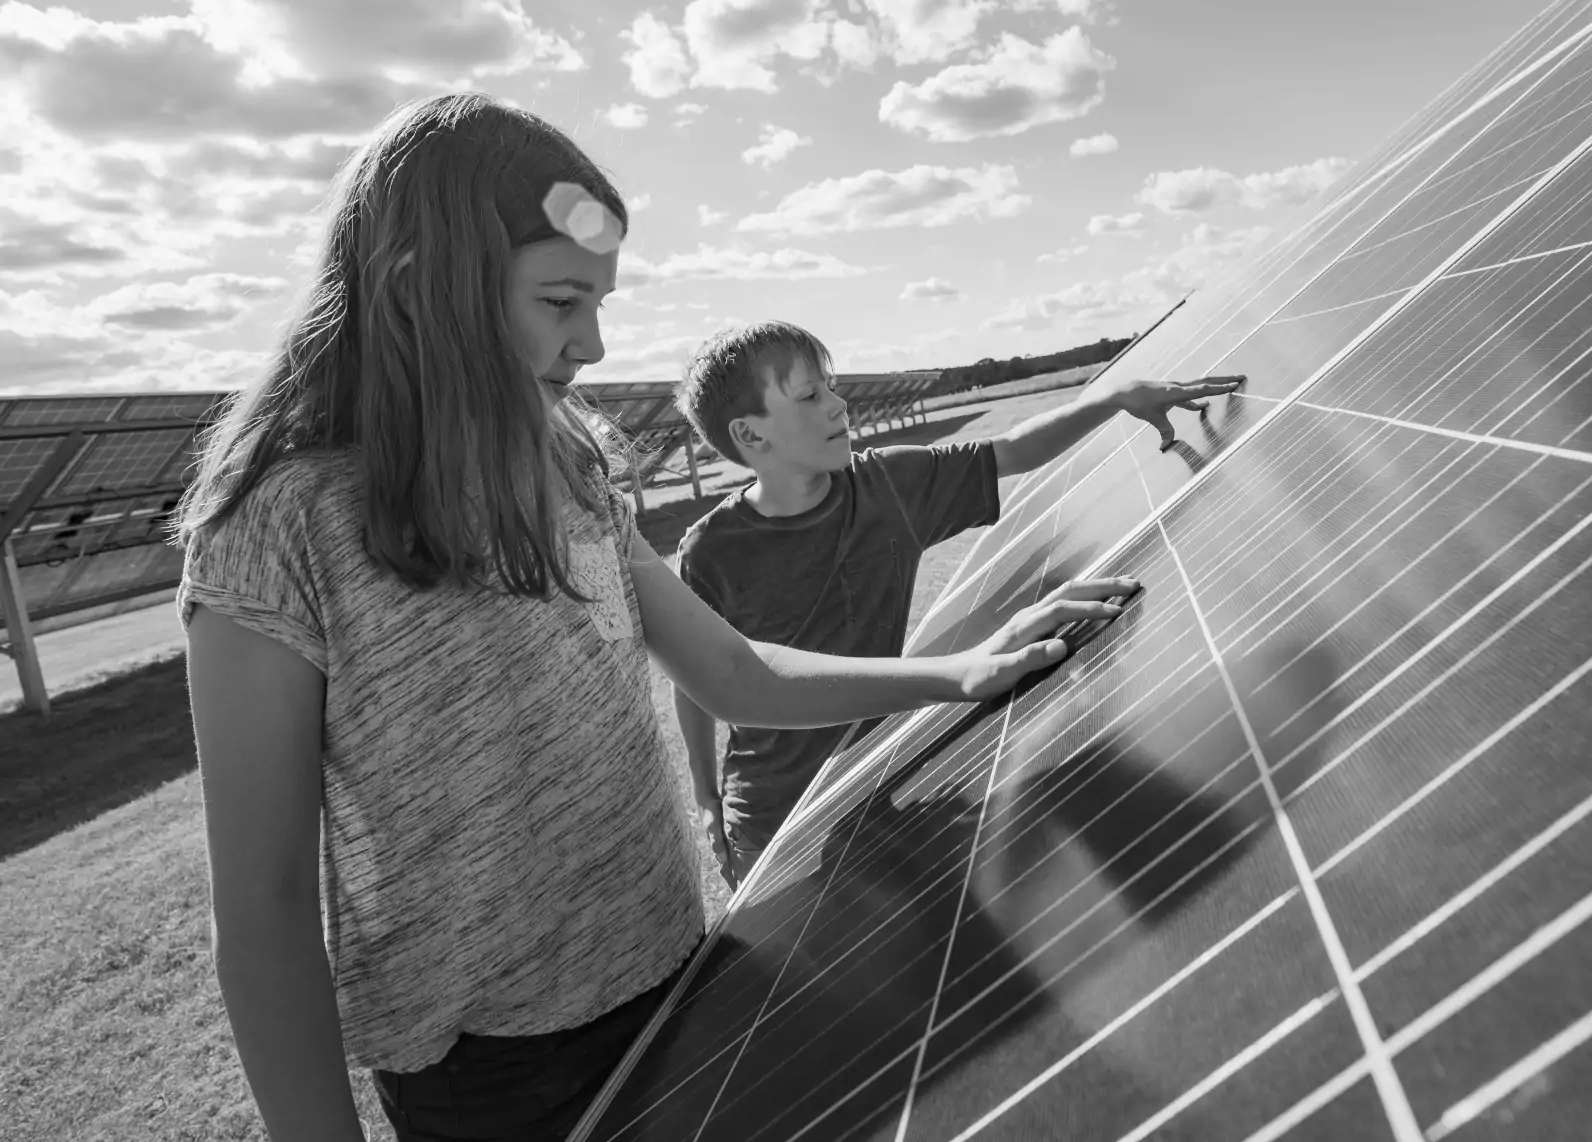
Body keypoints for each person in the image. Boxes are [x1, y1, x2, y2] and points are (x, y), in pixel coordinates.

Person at [173, 91, 1137, 1142]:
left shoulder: (568, 467)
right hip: (491, 1078)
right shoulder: (275, 528)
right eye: (561, 300)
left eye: (599, 301)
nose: (592, 342)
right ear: (418, 285)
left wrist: (959, 672)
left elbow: (732, 672)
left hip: (677, 981)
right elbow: (264, 908)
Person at [672, 321, 1241, 887]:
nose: (838, 405)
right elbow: (694, 672)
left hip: (876, 787)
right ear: (750, 435)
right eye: (809, 395)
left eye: (832, 386)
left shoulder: (889, 486)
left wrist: (1114, 398)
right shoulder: (712, 551)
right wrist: (704, 791)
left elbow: (1012, 450)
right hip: (772, 828)